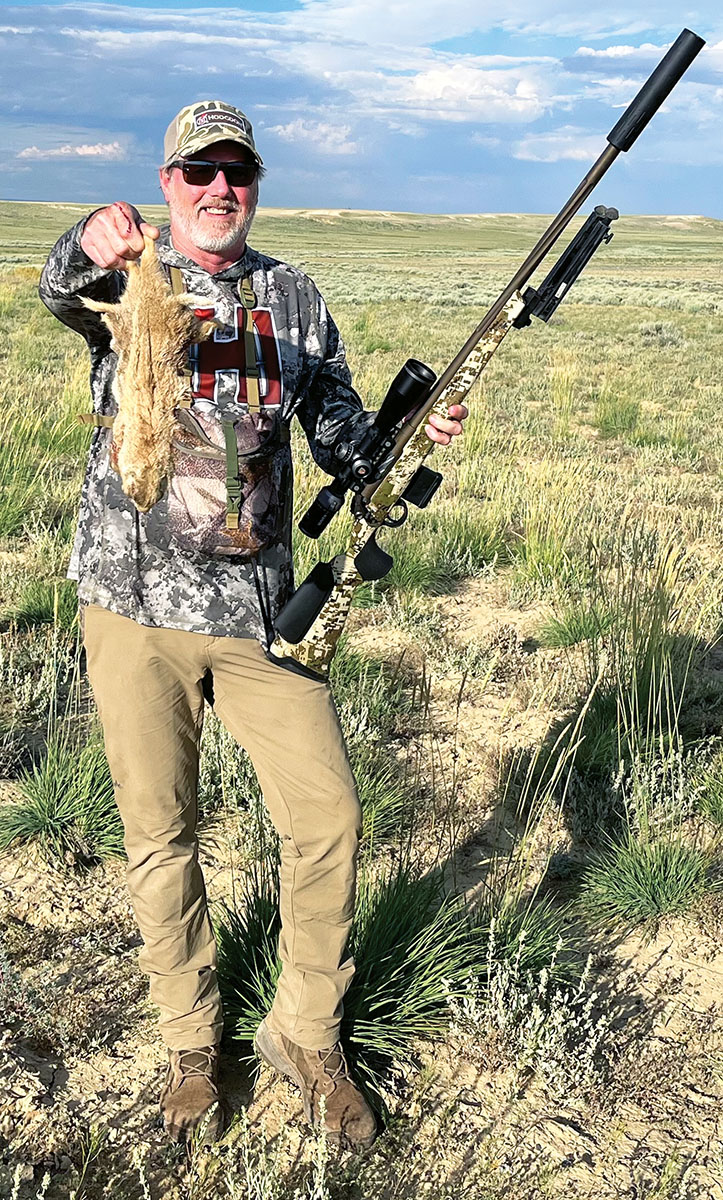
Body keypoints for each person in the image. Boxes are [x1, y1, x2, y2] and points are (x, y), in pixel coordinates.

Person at [39, 101, 468, 1150]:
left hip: (261, 617)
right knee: (159, 833)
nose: (219, 188)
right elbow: (63, 285)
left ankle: (305, 1033)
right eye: (199, 173)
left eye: (237, 171)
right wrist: (90, 239)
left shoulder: (294, 298)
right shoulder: (132, 282)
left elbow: (340, 435)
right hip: (132, 611)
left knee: (328, 818)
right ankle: (193, 1044)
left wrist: (405, 432)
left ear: (255, 184)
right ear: (169, 183)